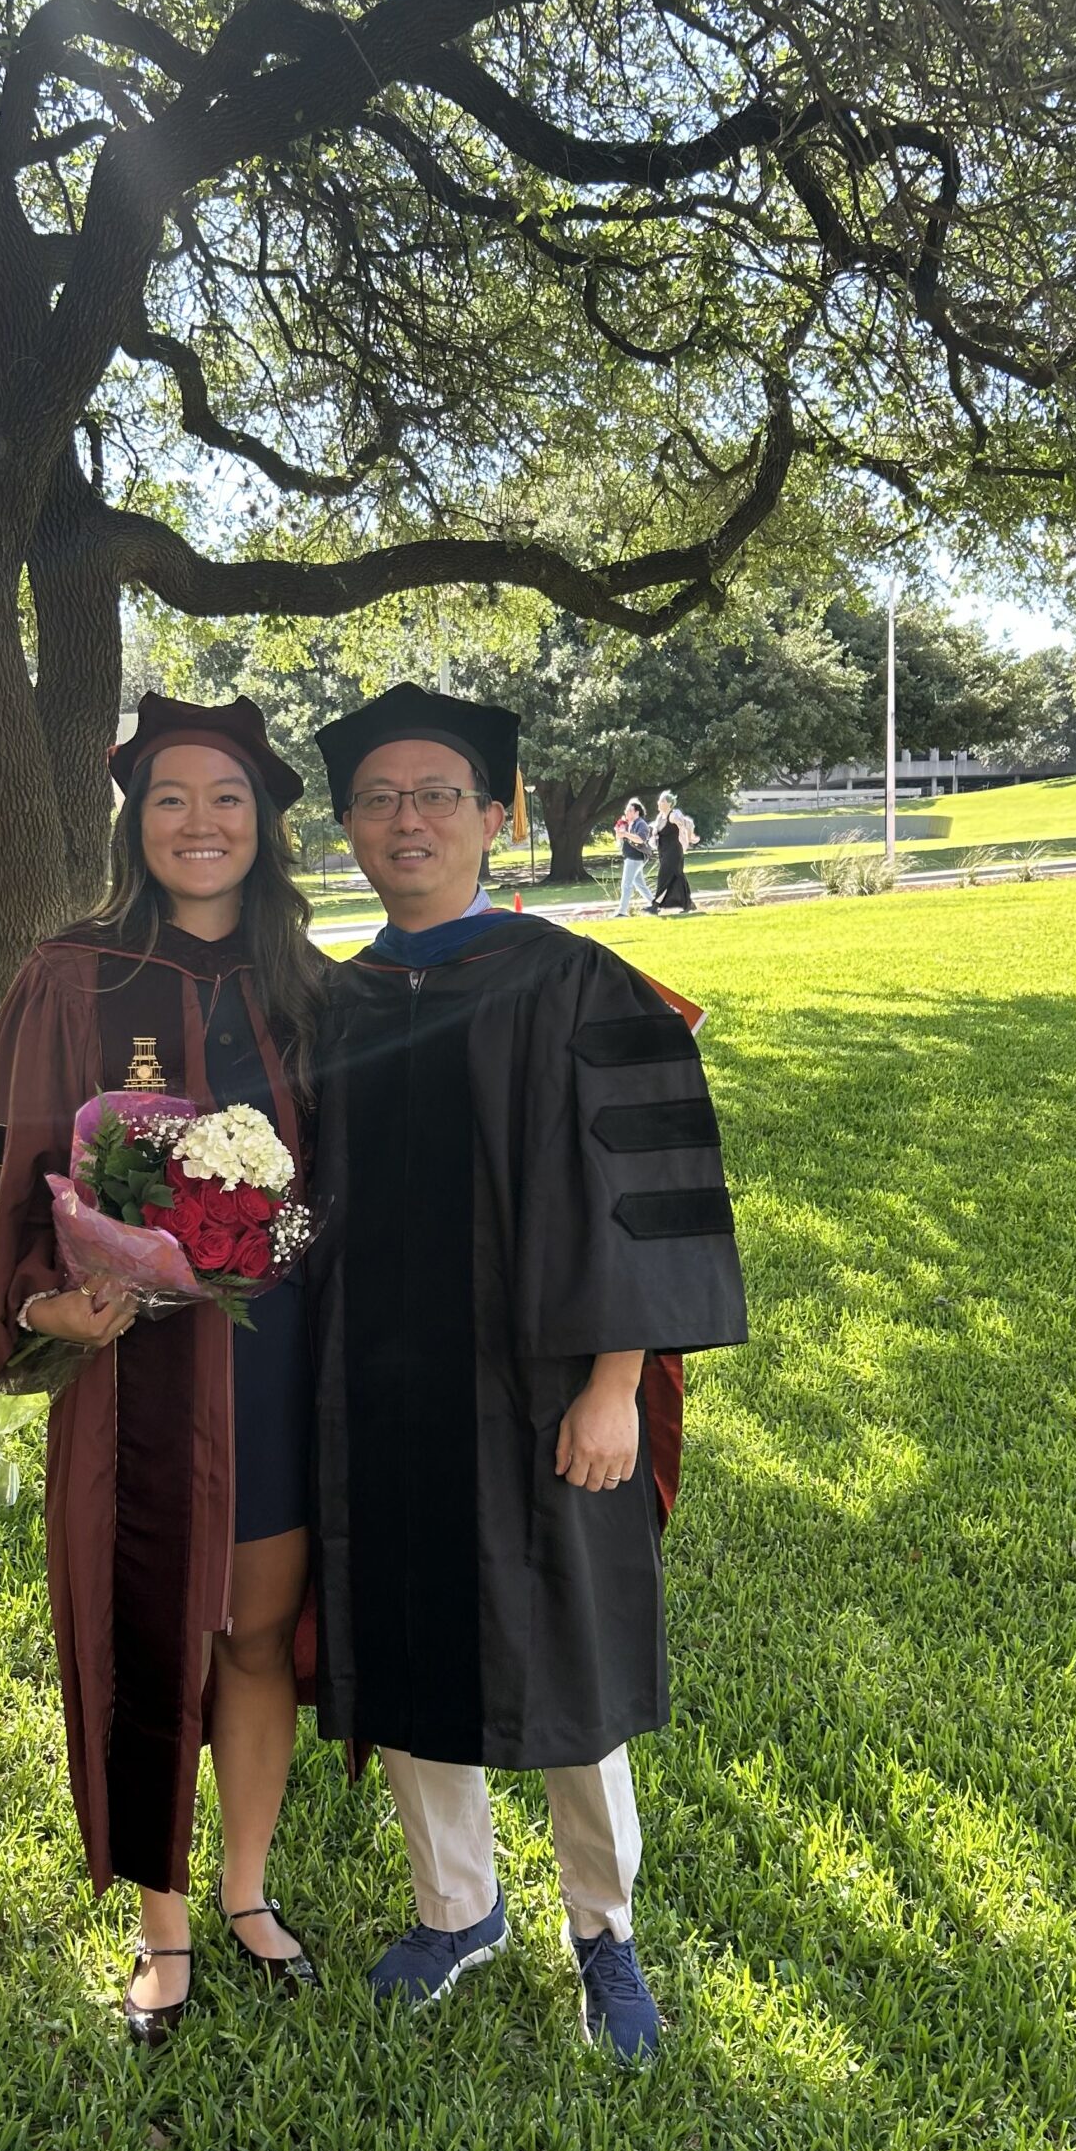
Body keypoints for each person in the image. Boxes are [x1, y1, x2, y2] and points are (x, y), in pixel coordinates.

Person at [307, 682, 747, 2061]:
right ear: (348, 830)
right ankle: (457, 1908)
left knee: (571, 1656)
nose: (409, 818)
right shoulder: (330, 1002)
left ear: (495, 815)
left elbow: (647, 1192)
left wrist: (619, 1382)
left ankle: (604, 1934)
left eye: (438, 793)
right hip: (381, 1387)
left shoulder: (577, 983)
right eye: (379, 798)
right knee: (412, 1636)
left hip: (553, 1391)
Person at [0, 692, 326, 2045]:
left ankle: (252, 1894)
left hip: (278, 1369)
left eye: (226, 798)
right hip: (134, 1370)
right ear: (134, 822)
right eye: (169, 798)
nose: (199, 822)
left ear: (265, 821)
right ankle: (165, 1927)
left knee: (258, 1632)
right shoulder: (71, 972)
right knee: (152, 1633)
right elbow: (4, 1151)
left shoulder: (311, 982)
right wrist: (43, 1298)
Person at [649, 790, 695, 916]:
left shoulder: (673, 816)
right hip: (664, 852)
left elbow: (687, 824)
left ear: (669, 804)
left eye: (662, 801)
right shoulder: (659, 818)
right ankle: (689, 904)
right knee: (678, 876)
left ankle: (655, 905)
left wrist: (690, 837)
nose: (659, 802)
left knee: (663, 875)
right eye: (659, 800)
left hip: (674, 851)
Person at [614, 797, 653, 915]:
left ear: (637, 812)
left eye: (630, 810)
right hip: (630, 857)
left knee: (626, 884)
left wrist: (625, 833)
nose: (627, 812)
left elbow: (641, 839)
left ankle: (622, 911)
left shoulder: (641, 824)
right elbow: (621, 839)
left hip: (635, 857)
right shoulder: (630, 824)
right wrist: (619, 832)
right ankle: (654, 904)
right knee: (639, 883)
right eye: (626, 810)